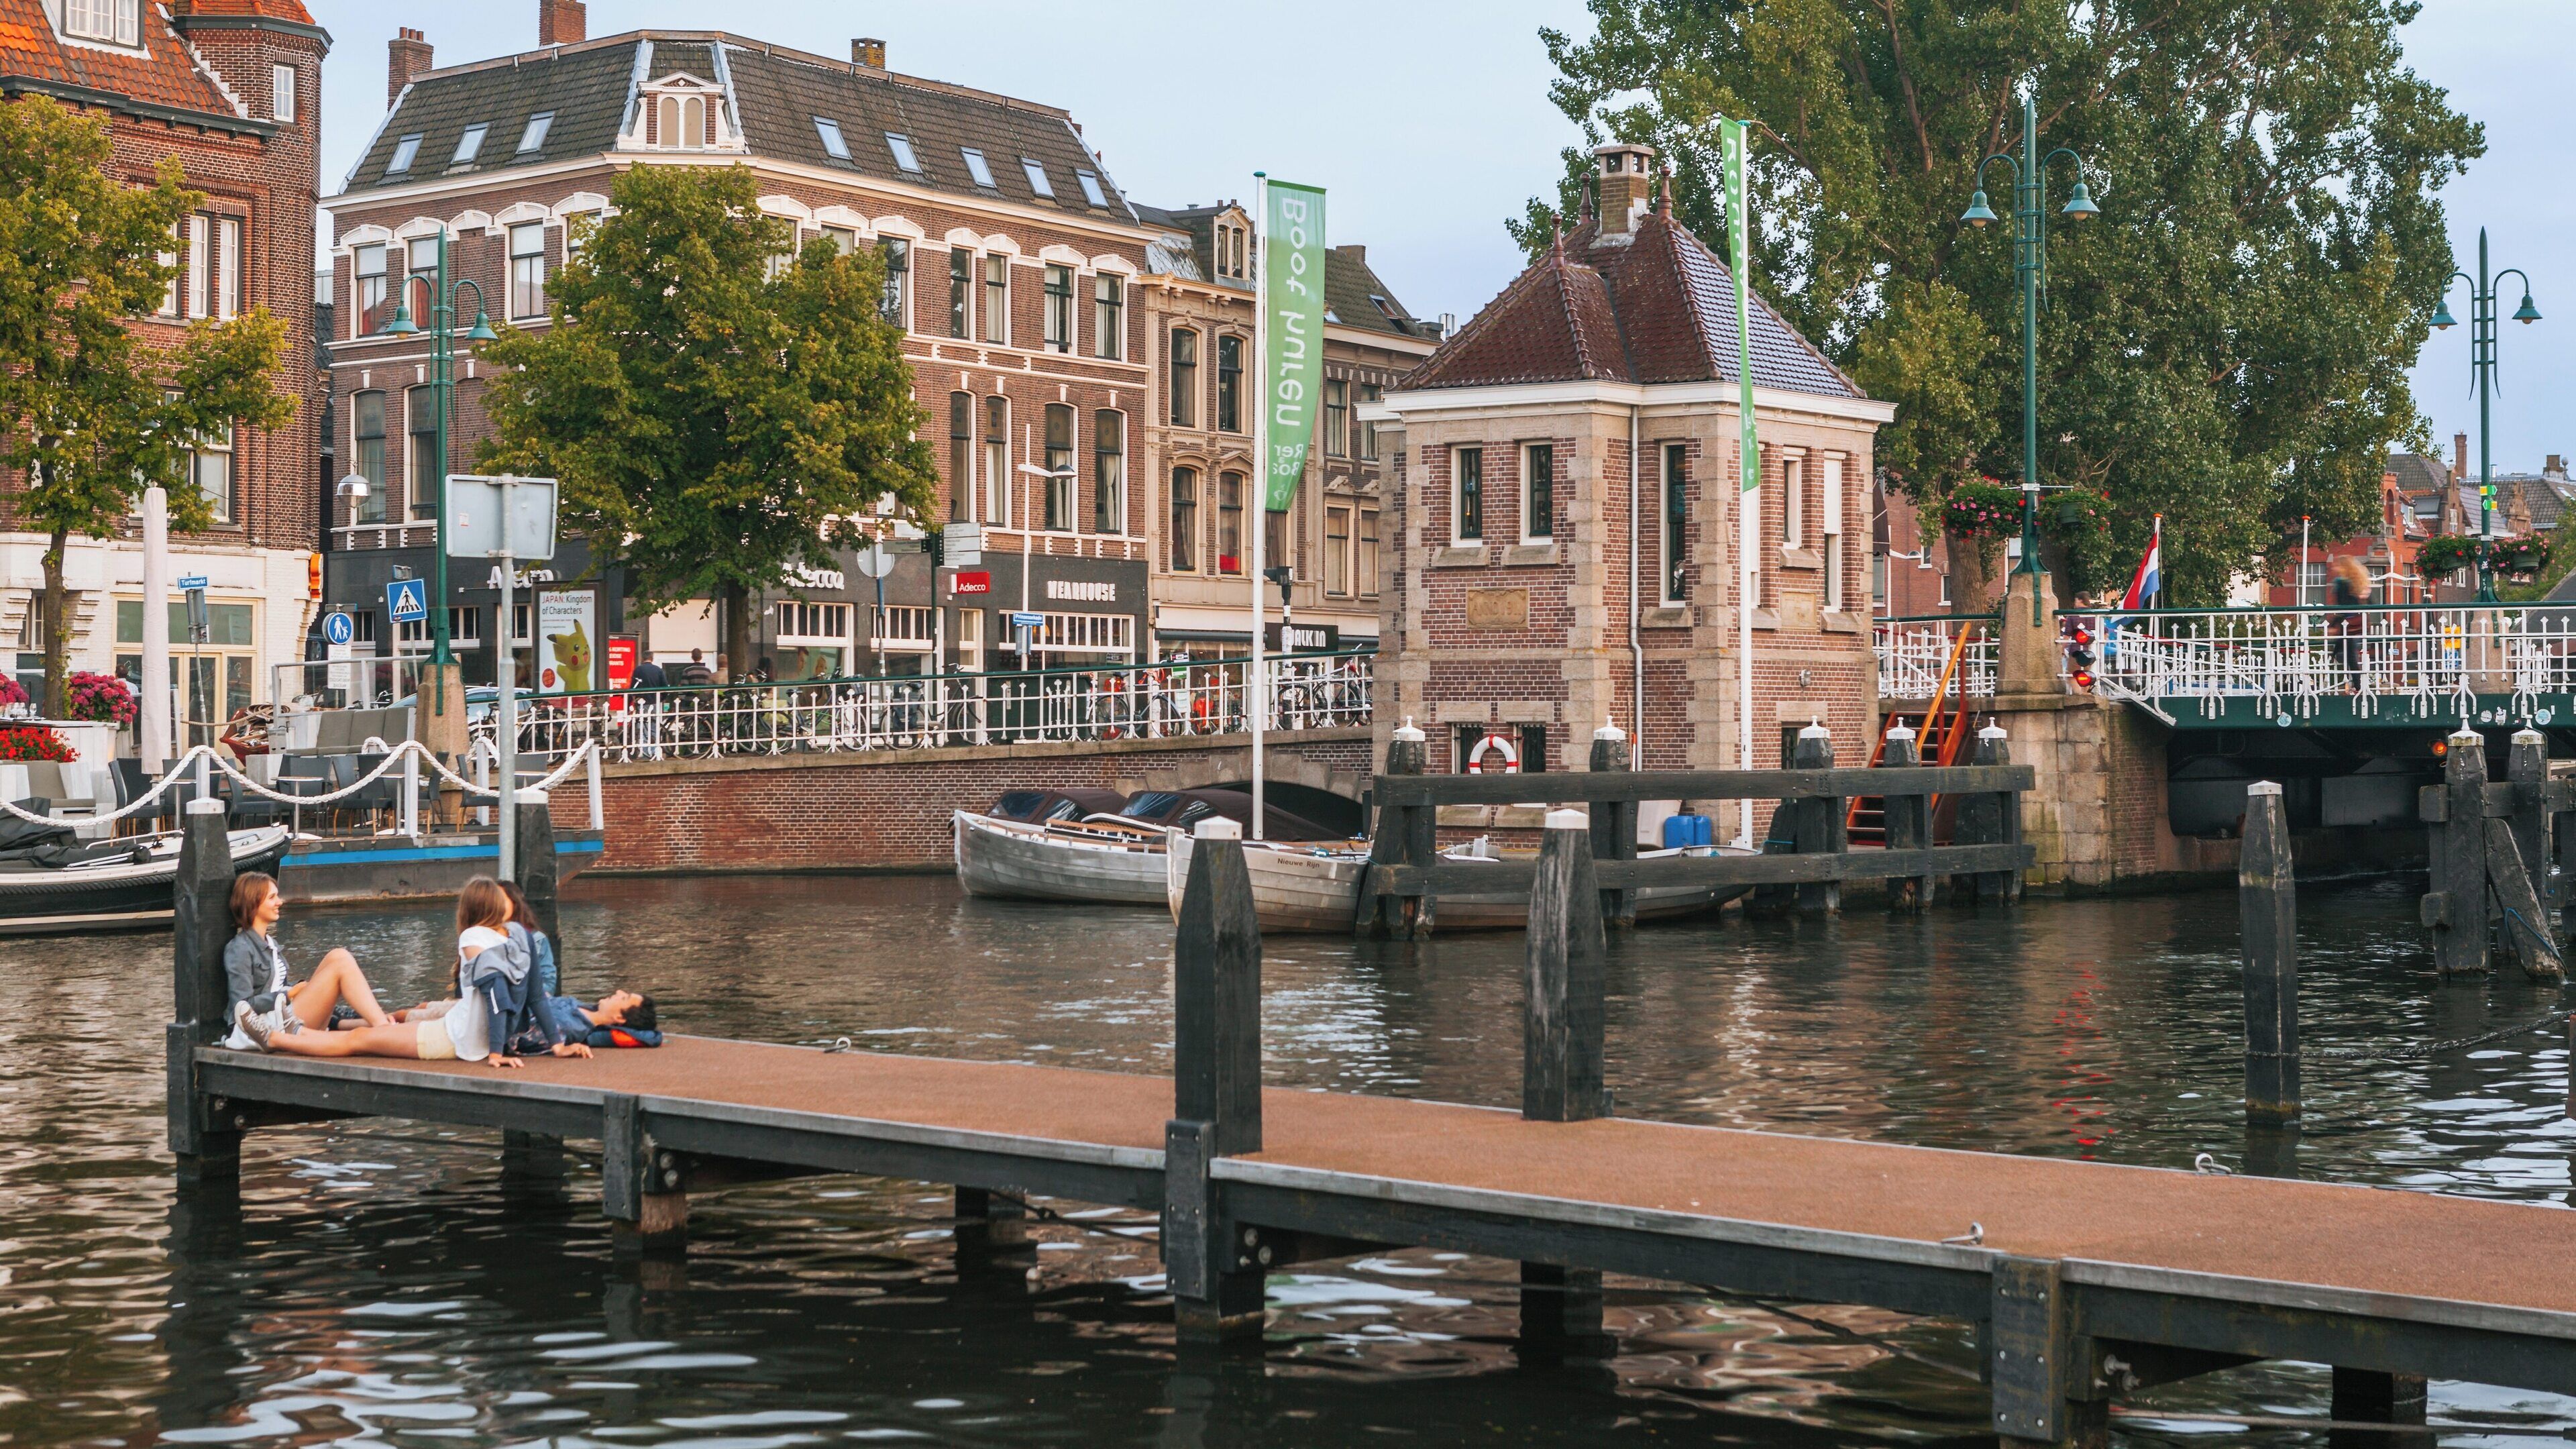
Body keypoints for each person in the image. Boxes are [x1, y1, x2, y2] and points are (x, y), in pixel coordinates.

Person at [241, 878, 586, 1065]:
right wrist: (551, 1046)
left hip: (457, 1038)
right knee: (362, 1037)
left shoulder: (490, 937)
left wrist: (503, 1052)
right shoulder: (506, 938)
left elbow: (513, 996)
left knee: (357, 1041)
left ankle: (275, 1038)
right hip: (460, 1034)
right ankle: (288, 1033)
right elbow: (521, 997)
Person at [223, 873, 396, 1047]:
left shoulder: (271, 944)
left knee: (338, 955)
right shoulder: (239, 948)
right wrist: (288, 994)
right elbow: (242, 1005)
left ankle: (377, 1022)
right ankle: (382, 1028)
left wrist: (301, 989)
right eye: (272, 897)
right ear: (254, 903)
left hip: (284, 1015)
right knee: (341, 963)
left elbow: (277, 985)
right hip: (264, 1024)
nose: (280, 902)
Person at [2328, 556, 2370, 689]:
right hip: (2358, 623)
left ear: (2343, 568)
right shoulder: (2358, 582)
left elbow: (2341, 606)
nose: (2334, 568)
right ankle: (2356, 685)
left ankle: (2356, 686)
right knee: (2349, 655)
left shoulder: (2340, 583)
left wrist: (2333, 625)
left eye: (2337, 565)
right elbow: (2369, 603)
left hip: (2346, 624)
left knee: (2344, 655)